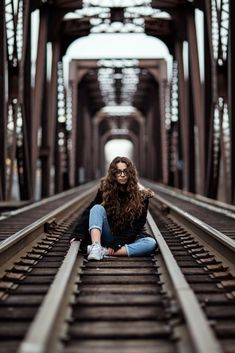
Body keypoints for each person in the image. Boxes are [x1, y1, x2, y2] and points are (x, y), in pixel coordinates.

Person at [70, 156, 157, 260]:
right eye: (118, 172)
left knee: (150, 243)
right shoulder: (105, 191)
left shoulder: (142, 195)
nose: (123, 175)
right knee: (97, 208)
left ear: (131, 173)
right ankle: (96, 246)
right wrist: (78, 233)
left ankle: (104, 251)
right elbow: (90, 211)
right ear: (113, 173)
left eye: (126, 171)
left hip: (127, 239)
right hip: (108, 235)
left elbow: (138, 226)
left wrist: (119, 242)